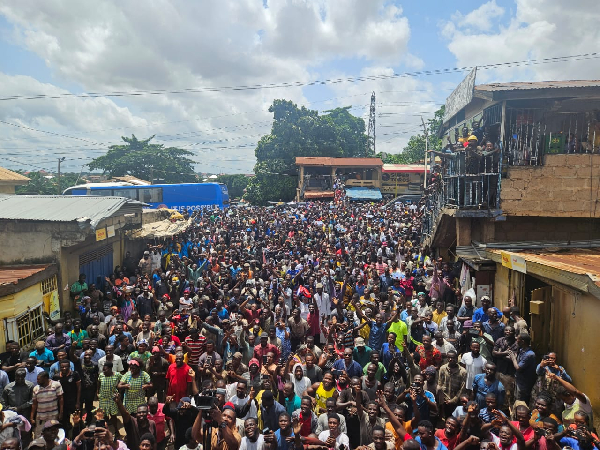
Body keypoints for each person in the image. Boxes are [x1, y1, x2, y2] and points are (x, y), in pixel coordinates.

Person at [31, 371, 63, 437]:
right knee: (39, 435)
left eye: (39, 379)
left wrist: (61, 413)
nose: (37, 381)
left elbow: (61, 399)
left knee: (53, 434)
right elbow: (34, 404)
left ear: (45, 378)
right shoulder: (36, 388)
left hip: (53, 416)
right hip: (41, 418)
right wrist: (31, 417)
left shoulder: (56, 385)